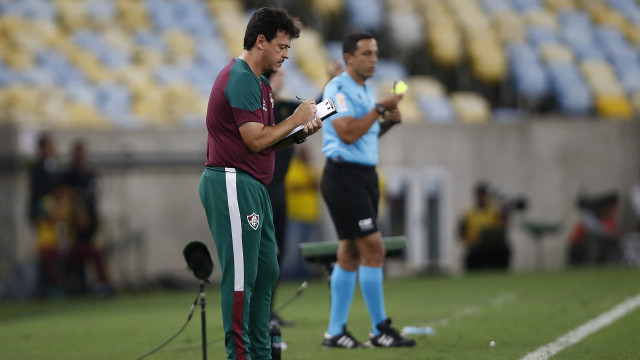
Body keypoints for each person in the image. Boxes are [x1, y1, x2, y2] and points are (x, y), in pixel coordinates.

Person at [198, 8, 321, 360]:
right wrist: (295, 118)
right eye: (282, 46)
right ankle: (239, 354)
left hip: (252, 185)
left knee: (267, 270)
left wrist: (298, 132)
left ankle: (259, 351)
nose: (286, 55)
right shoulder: (239, 78)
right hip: (231, 182)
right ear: (261, 41)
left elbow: (266, 139)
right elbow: (254, 140)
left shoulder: (260, 83)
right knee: (241, 277)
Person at [319, 32, 415, 348]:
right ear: (348, 57)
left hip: (363, 176)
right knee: (374, 248)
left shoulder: (364, 89)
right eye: (366, 53)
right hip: (343, 177)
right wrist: (378, 109)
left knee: (350, 252)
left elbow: (364, 134)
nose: (373, 58)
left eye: (375, 53)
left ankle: (335, 332)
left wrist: (389, 122)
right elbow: (346, 133)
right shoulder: (334, 90)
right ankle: (379, 329)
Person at [61, 140, 112, 296]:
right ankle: (77, 286)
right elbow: (64, 196)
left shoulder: (90, 174)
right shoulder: (68, 175)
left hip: (91, 224)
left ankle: (97, 285)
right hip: (73, 227)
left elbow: (95, 197)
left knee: (94, 252)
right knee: (79, 257)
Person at [281, 145, 321, 280]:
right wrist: (306, 185)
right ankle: (289, 274)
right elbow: (292, 185)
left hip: (310, 215)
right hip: (295, 215)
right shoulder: (292, 166)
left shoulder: (310, 167)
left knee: (307, 246)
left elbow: (316, 184)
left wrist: (307, 182)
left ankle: (304, 274)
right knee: (293, 246)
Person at [457, 181, 510, 270]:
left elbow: (502, 227)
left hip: (493, 248)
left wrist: (506, 213)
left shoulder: (494, 210)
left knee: (505, 250)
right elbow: (461, 234)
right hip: (476, 248)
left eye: (485, 195)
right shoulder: (468, 212)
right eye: (481, 195)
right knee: (472, 258)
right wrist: (471, 242)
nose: (483, 198)